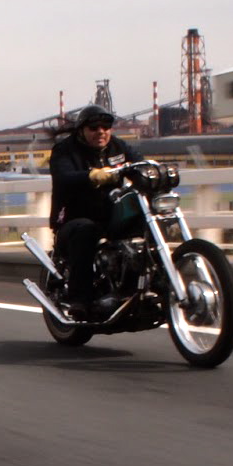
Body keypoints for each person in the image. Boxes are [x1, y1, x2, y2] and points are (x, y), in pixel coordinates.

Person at [48, 104, 138, 321]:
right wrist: (91, 176)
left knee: (140, 222)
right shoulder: (65, 150)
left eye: (106, 126)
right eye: (94, 127)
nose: (101, 131)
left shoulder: (118, 147)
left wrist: (155, 171)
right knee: (86, 231)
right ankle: (80, 299)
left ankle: (142, 282)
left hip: (110, 214)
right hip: (73, 218)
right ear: (82, 130)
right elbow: (63, 177)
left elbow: (139, 162)